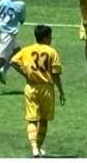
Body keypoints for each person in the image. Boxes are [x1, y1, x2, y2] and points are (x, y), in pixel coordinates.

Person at [11, 25, 66, 158]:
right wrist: (61, 91)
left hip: (31, 87)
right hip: (47, 89)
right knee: (44, 120)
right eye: (50, 36)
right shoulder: (52, 52)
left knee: (32, 119)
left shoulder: (27, 50)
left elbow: (13, 61)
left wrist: (25, 73)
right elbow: (55, 75)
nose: (51, 39)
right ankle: (39, 148)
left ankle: (35, 149)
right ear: (45, 37)